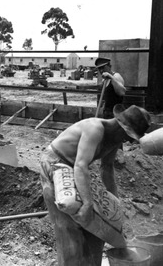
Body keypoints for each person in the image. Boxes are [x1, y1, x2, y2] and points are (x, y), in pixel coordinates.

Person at [39, 104, 151, 266]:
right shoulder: (94, 129)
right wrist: (87, 203)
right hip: (56, 164)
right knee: (69, 227)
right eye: (128, 135)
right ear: (121, 126)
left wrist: (114, 206)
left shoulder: (114, 139)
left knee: (99, 228)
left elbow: (107, 168)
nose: (128, 140)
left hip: (76, 169)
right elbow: (81, 165)